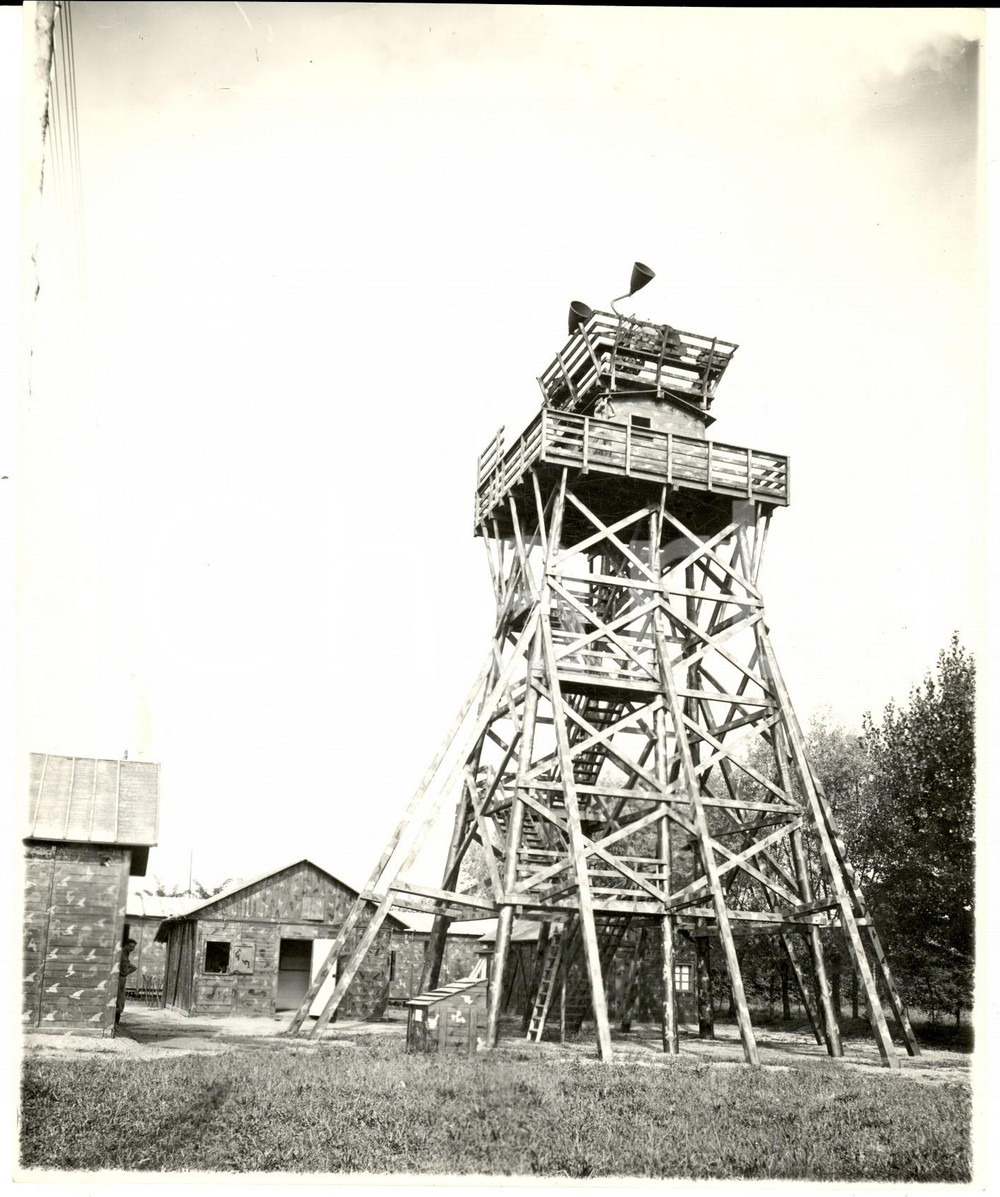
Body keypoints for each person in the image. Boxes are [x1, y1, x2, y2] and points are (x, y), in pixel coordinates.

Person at [116, 937, 138, 1025]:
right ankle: (115, 1021)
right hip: (118, 978)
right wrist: (123, 973)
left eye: (133, 947)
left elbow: (128, 965)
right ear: (125, 945)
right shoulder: (121, 954)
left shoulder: (126, 954)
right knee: (118, 999)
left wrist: (127, 972)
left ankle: (117, 1021)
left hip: (122, 978)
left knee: (121, 999)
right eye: (130, 946)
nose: (132, 949)